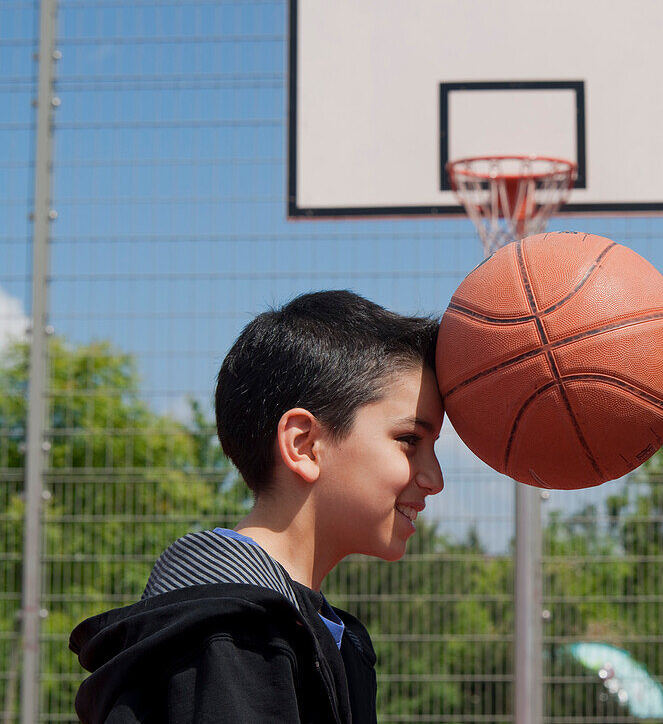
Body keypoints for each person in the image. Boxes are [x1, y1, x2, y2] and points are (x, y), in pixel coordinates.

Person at [69, 290, 445, 723]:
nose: (434, 479)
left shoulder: (310, 627)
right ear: (303, 445)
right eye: (410, 441)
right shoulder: (229, 634)